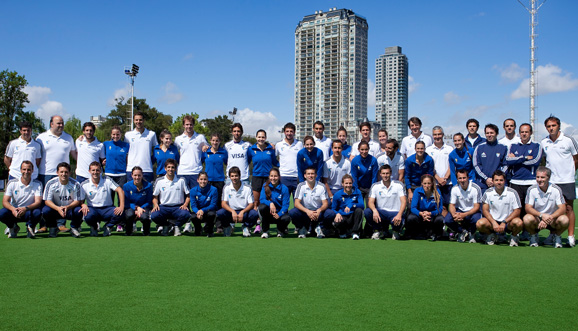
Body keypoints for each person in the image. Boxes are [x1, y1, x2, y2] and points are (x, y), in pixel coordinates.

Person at [541, 115, 578, 247]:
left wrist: (570, 173)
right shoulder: (544, 142)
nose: (551, 128)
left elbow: (576, 159)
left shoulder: (568, 140)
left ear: (559, 126)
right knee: (553, 209)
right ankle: (553, 235)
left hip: (567, 180)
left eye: (553, 125)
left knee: (568, 209)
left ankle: (570, 236)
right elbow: (545, 161)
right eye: (549, 126)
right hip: (552, 182)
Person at [523, 166, 569, 248]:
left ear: (548, 178)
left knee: (564, 220)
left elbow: (563, 208)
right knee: (527, 218)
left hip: (552, 219)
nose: (539, 180)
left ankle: (557, 236)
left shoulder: (556, 189)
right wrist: (541, 215)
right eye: (537, 177)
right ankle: (534, 236)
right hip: (537, 218)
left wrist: (549, 217)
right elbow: (528, 208)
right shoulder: (531, 189)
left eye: (542, 177)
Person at [505, 123, 541, 219]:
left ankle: (530, 232)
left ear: (531, 133)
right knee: (516, 208)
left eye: (526, 132)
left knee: (530, 208)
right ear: (519, 133)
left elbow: (535, 161)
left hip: (531, 181)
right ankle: (516, 232)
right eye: (522, 132)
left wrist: (516, 160)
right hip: (515, 181)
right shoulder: (513, 146)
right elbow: (508, 161)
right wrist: (524, 158)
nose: (524, 134)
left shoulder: (537, 145)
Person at [477, 170, 523, 246]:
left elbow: (517, 210)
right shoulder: (488, 192)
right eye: (496, 180)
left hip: (508, 222)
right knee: (480, 223)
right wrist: (493, 222)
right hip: (493, 223)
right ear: (493, 181)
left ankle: (513, 237)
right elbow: (485, 210)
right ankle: (491, 235)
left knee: (519, 222)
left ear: (504, 181)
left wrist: (504, 222)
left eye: (501, 180)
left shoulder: (512, 192)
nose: (499, 182)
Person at [79, 161, 125, 237]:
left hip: (107, 209)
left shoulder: (107, 180)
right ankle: (94, 227)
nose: (95, 172)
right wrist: (83, 204)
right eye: (93, 170)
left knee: (121, 213)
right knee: (87, 215)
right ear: (89, 171)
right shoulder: (84, 184)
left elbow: (120, 190)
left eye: (97, 170)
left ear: (100, 171)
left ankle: (108, 226)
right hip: (93, 209)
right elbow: (80, 200)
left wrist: (121, 206)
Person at [0, 161, 42, 238]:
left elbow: (38, 202)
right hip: (15, 212)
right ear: (20, 170)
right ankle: (13, 227)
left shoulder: (37, 184)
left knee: (38, 212)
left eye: (29, 170)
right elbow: (5, 201)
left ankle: (30, 227)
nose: (26, 172)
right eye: (24, 169)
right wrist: (13, 209)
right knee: (2, 213)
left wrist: (25, 209)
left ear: (32, 171)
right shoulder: (12, 183)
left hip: (28, 211)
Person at [364, 165, 407, 240]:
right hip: (381, 213)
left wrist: (399, 214)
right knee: (367, 212)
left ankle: (396, 231)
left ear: (391, 173)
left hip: (395, 213)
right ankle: (377, 231)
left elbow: (404, 202)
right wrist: (374, 211)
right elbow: (370, 202)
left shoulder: (399, 185)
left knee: (401, 218)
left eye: (387, 173)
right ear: (380, 174)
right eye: (383, 173)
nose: (385, 176)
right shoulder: (375, 186)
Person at [150, 158, 190, 236]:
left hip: (177, 208)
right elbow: (155, 196)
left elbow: (188, 195)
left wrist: (185, 205)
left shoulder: (181, 180)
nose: (170, 169)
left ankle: (176, 226)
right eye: (168, 167)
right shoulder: (159, 181)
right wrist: (156, 205)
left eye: (172, 167)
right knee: (154, 215)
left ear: (175, 169)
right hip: (163, 207)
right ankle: (166, 225)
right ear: (165, 168)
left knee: (186, 214)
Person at [42, 162, 83, 238]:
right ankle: (53, 227)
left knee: (79, 210)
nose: (64, 174)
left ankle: (74, 227)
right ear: (57, 172)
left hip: (69, 209)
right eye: (61, 172)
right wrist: (58, 208)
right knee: (45, 210)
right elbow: (47, 201)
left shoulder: (76, 184)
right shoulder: (50, 183)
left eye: (66, 172)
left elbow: (77, 201)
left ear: (70, 173)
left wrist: (67, 207)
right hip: (56, 209)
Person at [217, 166, 258, 237]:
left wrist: (242, 212)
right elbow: (223, 204)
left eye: (236, 176)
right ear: (229, 177)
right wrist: (232, 211)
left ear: (240, 176)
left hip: (244, 213)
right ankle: (227, 227)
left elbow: (251, 204)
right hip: (231, 213)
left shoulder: (247, 188)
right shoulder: (226, 187)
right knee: (220, 213)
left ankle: (246, 227)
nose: (234, 178)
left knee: (254, 214)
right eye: (232, 176)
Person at [289, 167, 330, 239]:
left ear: (316, 175)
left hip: (318, 213)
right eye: (308, 174)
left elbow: (325, 203)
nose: (310, 176)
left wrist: (319, 210)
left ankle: (320, 228)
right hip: (305, 212)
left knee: (330, 214)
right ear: (305, 176)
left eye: (312, 174)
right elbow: (296, 203)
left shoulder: (322, 186)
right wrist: (307, 211)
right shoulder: (301, 186)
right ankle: (302, 228)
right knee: (292, 212)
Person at [37, 115, 78, 187]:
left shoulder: (68, 138)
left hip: (63, 174)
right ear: (51, 124)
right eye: (58, 123)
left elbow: (75, 155)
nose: (61, 125)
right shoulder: (41, 138)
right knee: (46, 198)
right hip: (46, 174)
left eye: (62, 123)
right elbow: (36, 156)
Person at [444, 169, 482, 243]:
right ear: (457, 179)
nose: (462, 180)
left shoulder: (475, 188)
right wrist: (454, 215)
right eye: (460, 178)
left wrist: (464, 215)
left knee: (476, 219)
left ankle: (472, 234)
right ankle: (462, 232)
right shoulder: (454, 188)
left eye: (464, 178)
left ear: (468, 178)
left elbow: (477, 207)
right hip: (460, 211)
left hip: (472, 212)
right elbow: (452, 205)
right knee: (447, 220)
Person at [175, 114, 209, 190]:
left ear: (193, 125)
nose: (189, 126)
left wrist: (205, 146)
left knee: (196, 197)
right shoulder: (178, 139)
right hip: (182, 172)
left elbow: (208, 148)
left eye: (191, 124)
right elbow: (174, 153)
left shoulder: (200, 137)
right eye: (187, 124)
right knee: (182, 198)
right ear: (183, 125)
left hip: (196, 172)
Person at [406, 174, 444, 241]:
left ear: (432, 183)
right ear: (422, 183)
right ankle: (416, 233)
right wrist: (421, 213)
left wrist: (430, 213)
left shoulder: (437, 192)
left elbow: (440, 209)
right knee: (411, 218)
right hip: (420, 216)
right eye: (425, 183)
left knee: (440, 219)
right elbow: (413, 208)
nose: (427, 186)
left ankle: (436, 234)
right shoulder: (417, 191)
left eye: (429, 183)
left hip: (431, 216)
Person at [202, 133, 227, 234]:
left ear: (220, 142)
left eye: (217, 141)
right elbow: (200, 162)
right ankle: (208, 225)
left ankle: (219, 226)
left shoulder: (224, 152)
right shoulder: (205, 152)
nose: (215, 142)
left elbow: (227, 163)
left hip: (219, 181)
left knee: (218, 204)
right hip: (208, 182)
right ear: (210, 141)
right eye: (213, 140)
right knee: (207, 203)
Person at [473, 124, 508, 192]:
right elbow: (476, 165)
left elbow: (506, 165)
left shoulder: (503, 148)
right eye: (487, 133)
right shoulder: (479, 148)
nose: (489, 135)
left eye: (491, 133)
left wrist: (496, 179)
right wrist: (486, 179)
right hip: (483, 184)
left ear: (497, 134)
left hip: (499, 184)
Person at [249, 129, 279, 208]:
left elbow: (275, 162)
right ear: (256, 137)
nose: (261, 139)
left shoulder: (271, 149)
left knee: (269, 199)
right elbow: (247, 161)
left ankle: (268, 218)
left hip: (268, 178)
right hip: (256, 177)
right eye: (259, 137)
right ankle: (256, 219)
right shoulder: (251, 149)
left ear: (265, 138)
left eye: (263, 137)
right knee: (256, 201)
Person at [124, 112, 157, 183]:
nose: (138, 122)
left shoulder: (151, 134)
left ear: (144, 120)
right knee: (132, 193)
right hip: (131, 169)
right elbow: (125, 152)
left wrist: (151, 161)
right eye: (136, 120)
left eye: (140, 120)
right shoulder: (128, 135)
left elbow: (156, 150)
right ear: (133, 120)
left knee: (147, 193)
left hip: (147, 169)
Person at [258, 168, 290, 238]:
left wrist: (279, 214)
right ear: (269, 177)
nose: (273, 178)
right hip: (269, 214)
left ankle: (280, 230)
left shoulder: (284, 188)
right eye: (271, 176)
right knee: (262, 207)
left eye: (275, 176)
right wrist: (270, 203)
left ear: (279, 177)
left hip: (279, 214)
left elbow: (285, 205)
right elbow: (262, 199)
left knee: (287, 218)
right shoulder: (265, 186)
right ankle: (265, 231)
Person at [330, 174, 364, 240]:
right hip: (343, 216)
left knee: (359, 210)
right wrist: (337, 213)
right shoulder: (337, 194)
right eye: (346, 183)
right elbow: (333, 208)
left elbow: (362, 205)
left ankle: (355, 233)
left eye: (350, 183)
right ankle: (342, 232)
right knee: (337, 221)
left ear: (352, 183)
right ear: (342, 184)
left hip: (352, 217)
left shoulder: (357, 192)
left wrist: (351, 205)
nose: (348, 185)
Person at [426, 126, 453, 205]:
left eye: (439, 134)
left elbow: (451, 165)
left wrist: (445, 178)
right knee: (436, 205)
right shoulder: (428, 150)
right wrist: (438, 178)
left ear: (443, 135)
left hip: (448, 183)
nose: (437, 136)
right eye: (435, 135)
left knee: (448, 204)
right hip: (435, 183)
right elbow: (429, 167)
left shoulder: (449, 148)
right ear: (433, 136)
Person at [123, 166, 153, 236]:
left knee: (145, 217)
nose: (137, 177)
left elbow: (149, 201)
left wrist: (141, 208)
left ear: (142, 175)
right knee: (129, 215)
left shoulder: (148, 185)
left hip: (144, 207)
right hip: (131, 207)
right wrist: (136, 208)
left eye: (139, 175)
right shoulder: (126, 186)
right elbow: (126, 202)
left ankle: (146, 232)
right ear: (132, 175)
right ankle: (128, 231)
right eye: (135, 175)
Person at [275, 122, 303, 197]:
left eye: (291, 131)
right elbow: (274, 158)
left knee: (298, 202)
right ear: (284, 132)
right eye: (287, 131)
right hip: (283, 177)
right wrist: (279, 166)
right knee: (284, 202)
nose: (289, 133)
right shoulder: (279, 145)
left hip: (296, 177)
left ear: (294, 132)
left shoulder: (299, 144)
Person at [103, 125, 130, 199]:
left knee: (121, 198)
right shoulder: (106, 144)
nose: (115, 136)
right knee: (109, 198)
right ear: (111, 135)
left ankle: (121, 211)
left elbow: (128, 158)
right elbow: (100, 155)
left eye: (117, 134)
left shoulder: (126, 145)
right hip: (109, 174)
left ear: (121, 135)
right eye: (114, 134)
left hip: (121, 175)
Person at [189, 171, 218, 237]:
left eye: (205, 179)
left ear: (207, 180)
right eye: (201, 179)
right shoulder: (193, 190)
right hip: (198, 213)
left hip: (208, 211)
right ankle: (198, 229)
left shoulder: (213, 189)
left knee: (212, 214)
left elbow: (213, 205)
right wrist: (198, 212)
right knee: (192, 216)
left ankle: (209, 230)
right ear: (197, 180)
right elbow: (193, 205)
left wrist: (203, 210)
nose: (203, 181)